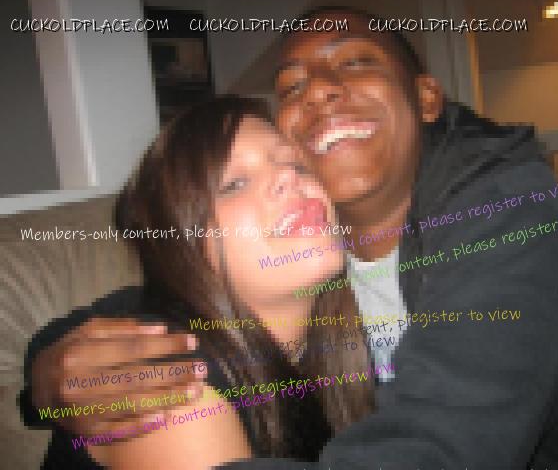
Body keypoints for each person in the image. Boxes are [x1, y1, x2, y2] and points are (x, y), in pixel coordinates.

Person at [21, 6, 558, 469]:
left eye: (356, 61)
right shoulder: (174, 383)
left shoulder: (495, 202)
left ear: (426, 97)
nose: (318, 88)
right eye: (291, 86)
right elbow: (148, 311)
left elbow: (446, 444)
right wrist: (49, 374)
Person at [20, 95, 376, 469]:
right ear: (183, 249)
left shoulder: (363, 326)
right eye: (234, 183)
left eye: (297, 164)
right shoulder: (169, 388)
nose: (289, 176)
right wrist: (46, 380)